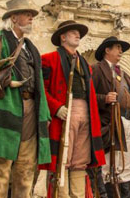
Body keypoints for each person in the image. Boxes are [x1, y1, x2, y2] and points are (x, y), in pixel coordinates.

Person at [0, 0, 51, 197]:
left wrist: (44, 114)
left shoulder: (32, 48)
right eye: (27, 14)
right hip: (4, 109)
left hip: (30, 112)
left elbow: (40, 86)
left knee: (25, 172)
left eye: (32, 15)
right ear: (14, 18)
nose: (31, 18)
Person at [40, 20, 106, 197]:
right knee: (62, 159)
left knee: (80, 161)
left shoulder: (84, 63)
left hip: (86, 112)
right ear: (63, 37)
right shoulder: (48, 59)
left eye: (79, 33)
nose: (78, 35)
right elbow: (41, 89)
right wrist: (55, 107)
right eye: (73, 32)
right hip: (64, 112)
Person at [91, 36, 130, 198]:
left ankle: (126, 194)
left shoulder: (124, 74)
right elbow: (90, 96)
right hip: (111, 122)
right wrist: (104, 98)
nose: (121, 51)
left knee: (128, 160)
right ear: (107, 50)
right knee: (109, 161)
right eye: (117, 47)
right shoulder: (97, 69)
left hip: (129, 121)